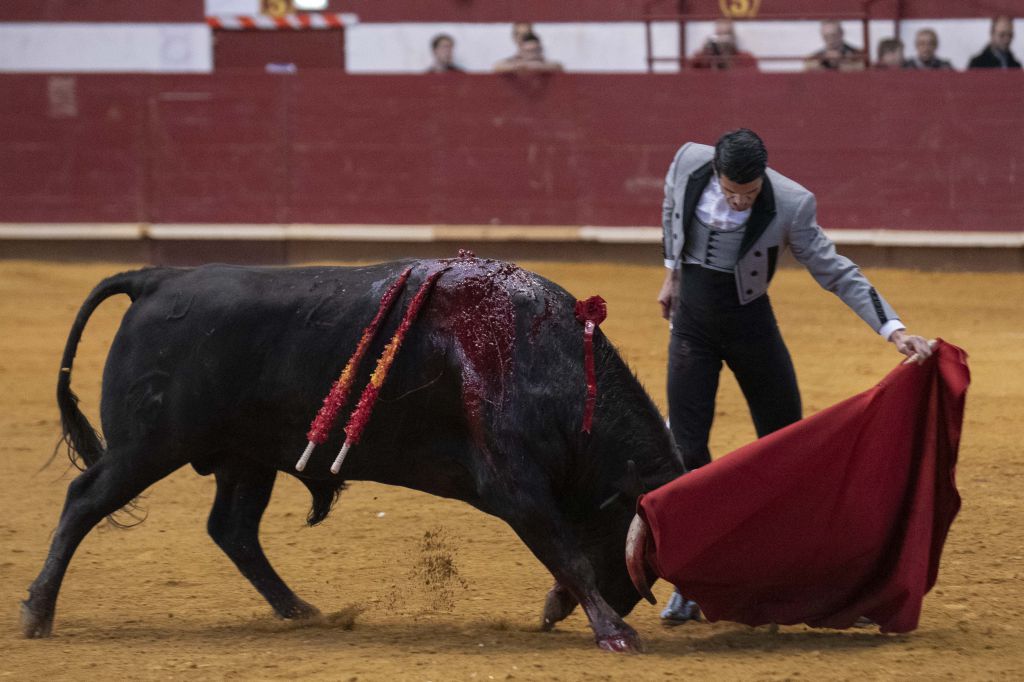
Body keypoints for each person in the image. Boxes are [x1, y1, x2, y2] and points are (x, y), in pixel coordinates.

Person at [656, 129, 933, 624]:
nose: (741, 202)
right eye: (731, 192)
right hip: (692, 326)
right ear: (716, 173)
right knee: (686, 451)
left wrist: (894, 331)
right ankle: (693, 580)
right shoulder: (686, 163)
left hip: (750, 325)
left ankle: (798, 569)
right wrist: (672, 269)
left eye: (751, 192)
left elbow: (835, 269)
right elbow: (669, 208)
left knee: (786, 439)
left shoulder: (792, 202)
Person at [689, 18, 757, 70]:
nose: (722, 40)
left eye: (726, 34)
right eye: (719, 35)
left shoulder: (746, 59)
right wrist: (705, 52)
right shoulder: (704, 59)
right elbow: (690, 70)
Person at [493, 32, 563, 73]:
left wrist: (538, 66)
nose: (532, 54)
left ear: (540, 49)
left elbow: (558, 66)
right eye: (528, 51)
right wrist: (518, 66)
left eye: (535, 50)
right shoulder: (513, 61)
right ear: (521, 50)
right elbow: (497, 66)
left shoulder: (544, 62)